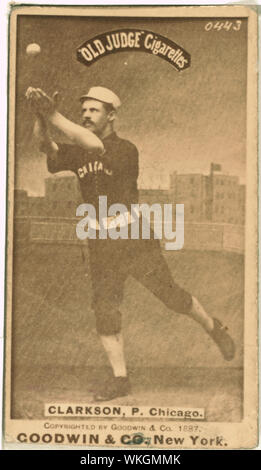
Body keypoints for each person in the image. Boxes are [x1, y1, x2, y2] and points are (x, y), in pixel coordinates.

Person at [25, 86, 235, 401]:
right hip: (101, 241)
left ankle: (214, 327)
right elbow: (45, 147)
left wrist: (53, 113)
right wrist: (39, 116)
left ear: (112, 115)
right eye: (84, 111)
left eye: (94, 110)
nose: (86, 115)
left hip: (132, 237)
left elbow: (95, 145)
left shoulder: (125, 149)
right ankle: (120, 379)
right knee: (105, 310)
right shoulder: (79, 148)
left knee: (172, 297)